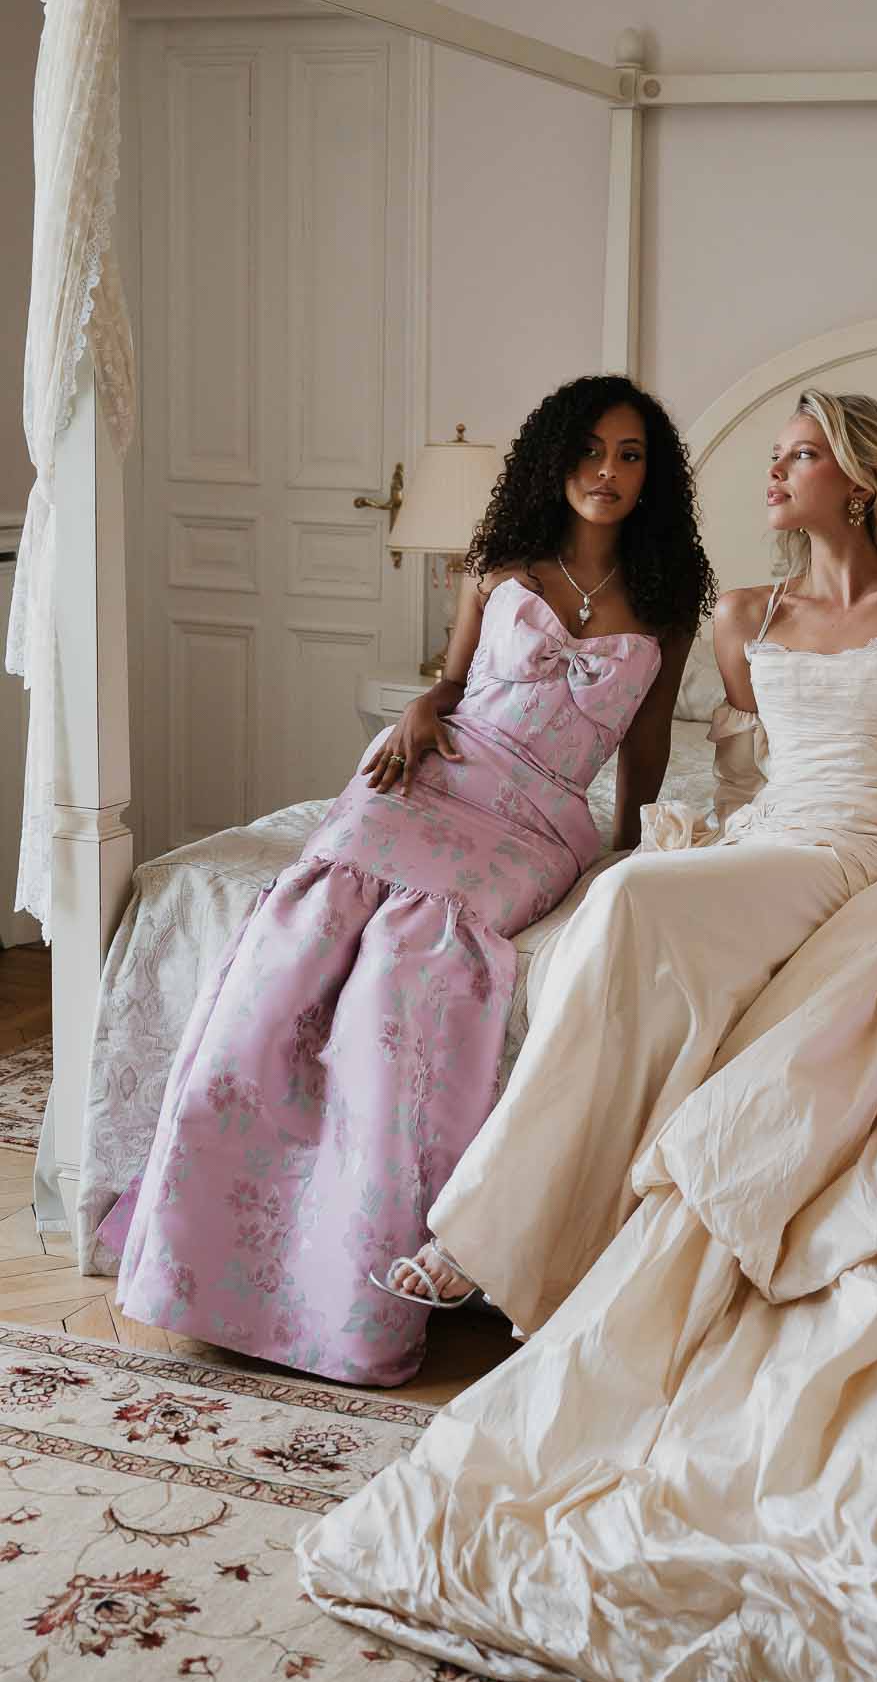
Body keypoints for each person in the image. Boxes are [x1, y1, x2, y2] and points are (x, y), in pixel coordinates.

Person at [296, 392, 877, 1682]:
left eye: (801, 456)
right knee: (636, 895)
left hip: (868, 852)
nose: (775, 471)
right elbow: (747, 769)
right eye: (775, 456)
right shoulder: (748, 618)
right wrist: (685, 838)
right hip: (773, 843)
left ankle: (485, 1227)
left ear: (862, 480)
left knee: (631, 903)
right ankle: (551, 1220)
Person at [103, 376, 712, 1386]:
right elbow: (454, 678)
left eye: (633, 454)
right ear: (557, 460)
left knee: (406, 968)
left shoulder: (666, 603)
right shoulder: (500, 562)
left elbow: (645, 748)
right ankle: (205, 1266)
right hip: (436, 768)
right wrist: (424, 710)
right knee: (299, 930)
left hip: (536, 817)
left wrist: (626, 851)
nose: (610, 472)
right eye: (593, 451)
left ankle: (353, 1299)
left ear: (654, 475)